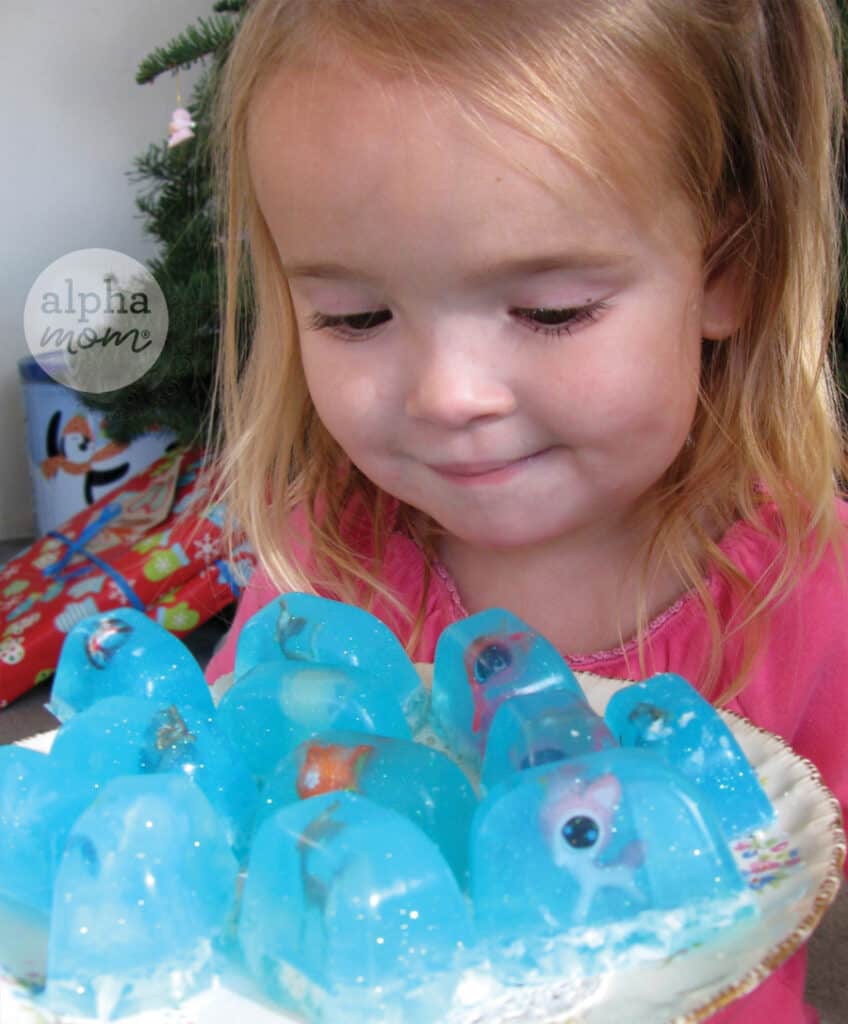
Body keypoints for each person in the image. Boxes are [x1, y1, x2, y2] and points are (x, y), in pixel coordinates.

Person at [205, 1, 848, 1020]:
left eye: (550, 310)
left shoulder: (806, 584)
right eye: (355, 316)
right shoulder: (315, 578)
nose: (446, 394)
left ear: (729, 273)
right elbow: (236, 813)